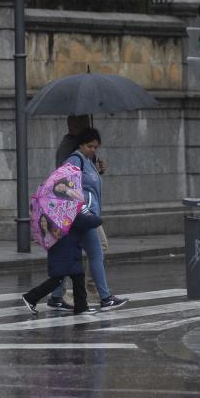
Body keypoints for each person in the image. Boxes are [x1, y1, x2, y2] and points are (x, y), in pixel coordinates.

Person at [50, 128, 127, 311]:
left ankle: (55, 296)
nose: (93, 149)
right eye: (90, 146)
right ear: (81, 145)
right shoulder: (75, 160)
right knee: (96, 254)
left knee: (74, 255)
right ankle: (105, 297)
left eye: (96, 146)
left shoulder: (87, 161)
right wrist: (84, 210)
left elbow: (88, 186)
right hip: (82, 216)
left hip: (85, 216)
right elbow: (67, 187)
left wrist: (98, 172)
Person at [22, 209, 102, 316]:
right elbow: (94, 222)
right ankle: (30, 297)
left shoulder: (54, 211)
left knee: (78, 276)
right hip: (67, 252)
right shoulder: (70, 212)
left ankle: (81, 307)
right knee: (57, 279)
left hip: (62, 250)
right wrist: (87, 212)